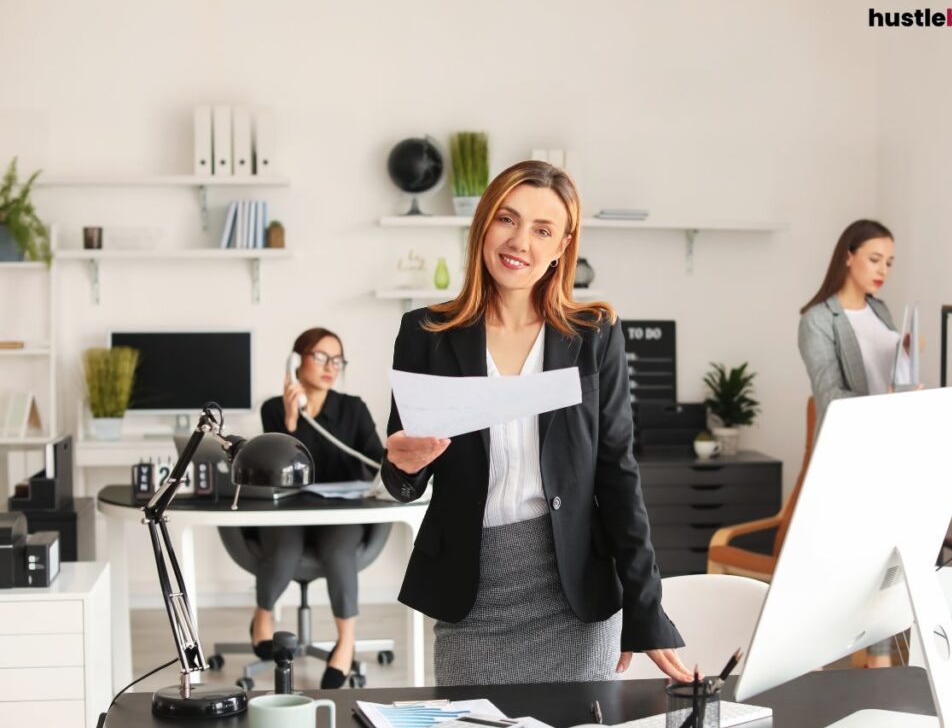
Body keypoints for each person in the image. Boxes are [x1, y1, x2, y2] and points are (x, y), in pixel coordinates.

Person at [380, 160, 691, 686]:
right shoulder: (426, 333)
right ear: (483, 224)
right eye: (507, 219)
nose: (519, 241)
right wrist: (403, 466)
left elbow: (618, 475)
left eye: (542, 230)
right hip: (472, 598)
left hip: (573, 595)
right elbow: (403, 474)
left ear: (562, 247)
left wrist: (646, 610)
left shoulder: (595, 336)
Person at [798, 219, 916, 668]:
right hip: (848, 461)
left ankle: (881, 664)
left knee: (887, 567)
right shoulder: (817, 320)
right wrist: (884, 399)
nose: (882, 269)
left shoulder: (883, 311)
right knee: (853, 573)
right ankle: (846, 664)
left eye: (889, 262)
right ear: (848, 255)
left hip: (887, 453)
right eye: (874, 259)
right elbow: (830, 401)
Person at [253, 326, 385, 688]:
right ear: (297, 362)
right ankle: (262, 616)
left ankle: (346, 641)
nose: (332, 366)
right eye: (321, 357)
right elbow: (277, 471)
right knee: (283, 548)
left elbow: (377, 463)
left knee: (339, 550)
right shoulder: (273, 409)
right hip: (290, 512)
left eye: (338, 359)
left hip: (340, 514)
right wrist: (292, 422)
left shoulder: (353, 409)